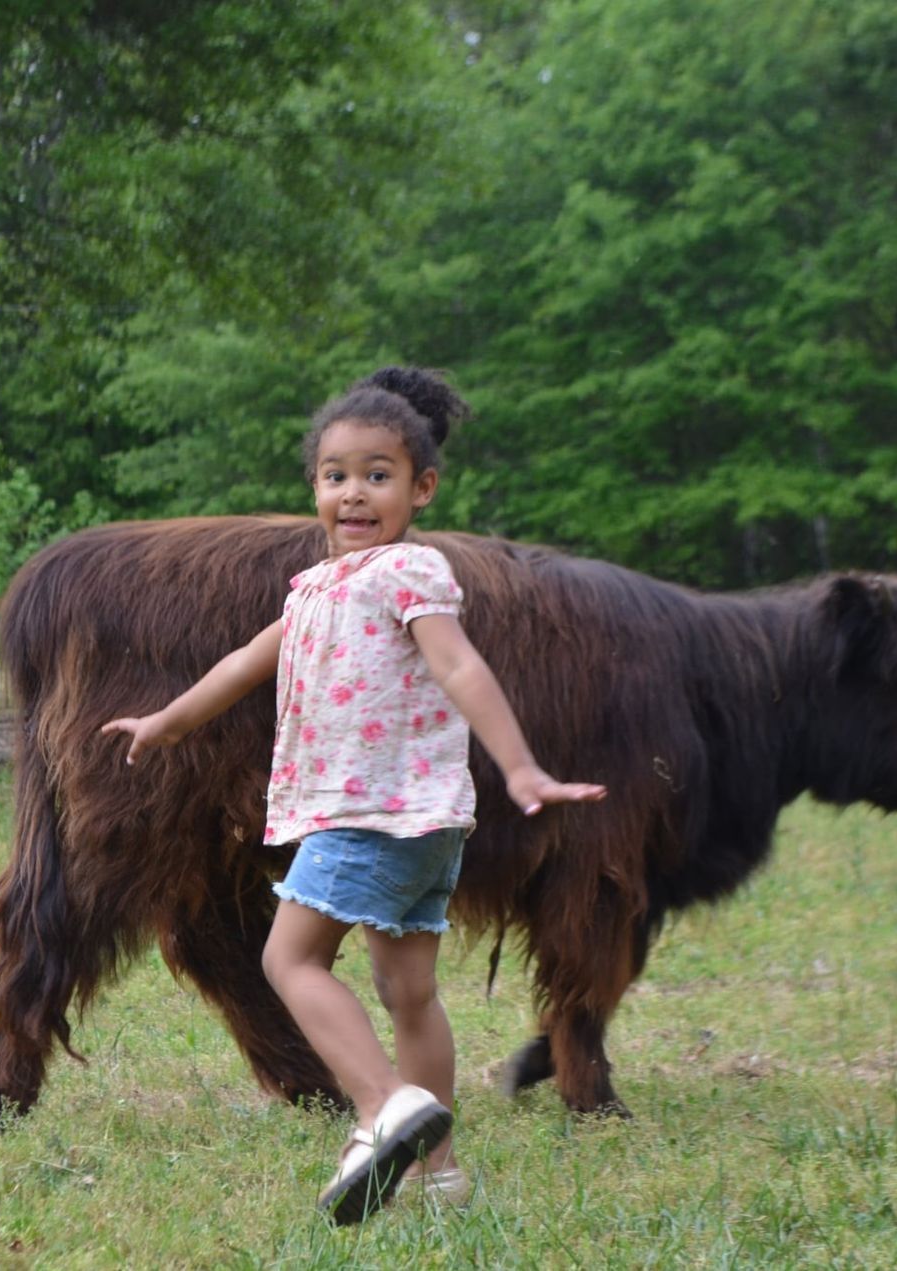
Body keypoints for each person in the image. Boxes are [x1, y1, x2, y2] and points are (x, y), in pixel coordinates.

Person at [101, 367, 605, 1223]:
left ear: (422, 487)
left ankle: (383, 1106)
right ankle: (437, 1170)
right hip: (419, 825)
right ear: (315, 489)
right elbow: (238, 667)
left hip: (367, 815)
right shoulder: (313, 588)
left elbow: (459, 665)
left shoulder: (408, 571)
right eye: (337, 476)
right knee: (408, 990)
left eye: (379, 475)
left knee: (287, 960)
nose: (356, 493)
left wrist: (519, 766)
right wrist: (169, 722)